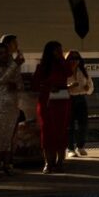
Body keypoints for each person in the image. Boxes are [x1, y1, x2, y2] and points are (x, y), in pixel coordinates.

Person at [0, 41, 24, 176]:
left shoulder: (11, 67)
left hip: (12, 105)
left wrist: (16, 84)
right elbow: (1, 79)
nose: (4, 55)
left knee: (8, 136)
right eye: (0, 53)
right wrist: (15, 64)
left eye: (5, 53)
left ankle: (7, 164)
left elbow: (19, 83)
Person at [34, 41, 72, 173]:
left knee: (61, 130)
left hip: (61, 100)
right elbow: (36, 83)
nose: (59, 53)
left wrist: (61, 59)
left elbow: (69, 73)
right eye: (56, 51)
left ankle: (60, 161)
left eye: (60, 50)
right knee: (47, 131)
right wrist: (49, 87)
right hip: (47, 100)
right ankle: (48, 162)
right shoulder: (42, 66)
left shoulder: (63, 65)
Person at [65, 50, 94, 158]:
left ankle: (80, 146)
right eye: (71, 59)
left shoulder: (83, 70)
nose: (74, 61)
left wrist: (88, 88)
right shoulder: (64, 71)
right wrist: (70, 86)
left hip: (81, 98)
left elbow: (90, 85)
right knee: (70, 125)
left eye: (76, 59)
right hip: (69, 98)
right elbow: (60, 86)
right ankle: (70, 149)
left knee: (83, 124)